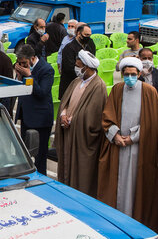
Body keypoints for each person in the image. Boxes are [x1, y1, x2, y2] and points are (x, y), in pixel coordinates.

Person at [98, 56, 158, 222]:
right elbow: (108, 116)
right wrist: (115, 135)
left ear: (139, 73)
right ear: (122, 74)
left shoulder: (149, 92)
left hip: (138, 148)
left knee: (135, 185)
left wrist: (133, 138)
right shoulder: (117, 89)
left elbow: (154, 123)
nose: (130, 78)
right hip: (118, 145)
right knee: (118, 184)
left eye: (133, 74)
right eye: (126, 74)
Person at [54, 50, 107, 195]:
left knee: (80, 175)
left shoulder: (98, 86)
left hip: (81, 138)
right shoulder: (76, 81)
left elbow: (93, 116)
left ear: (87, 67)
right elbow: (66, 102)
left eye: (79, 65)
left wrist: (72, 120)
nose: (76, 68)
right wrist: (63, 114)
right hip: (68, 132)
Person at [13, 44, 54, 174]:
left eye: (24, 63)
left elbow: (42, 92)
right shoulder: (23, 69)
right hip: (26, 117)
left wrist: (29, 75)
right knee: (25, 153)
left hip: (41, 120)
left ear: (32, 58)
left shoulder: (46, 69)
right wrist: (20, 77)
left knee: (40, 156)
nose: (22, 65)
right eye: (19, 63)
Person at [58, 23, 95, 100]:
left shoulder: (89, 45)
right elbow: (69, 69)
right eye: (86, 35)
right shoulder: (69, 48)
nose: (88, 37)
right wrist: (84, 74)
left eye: (89, 35)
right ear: (79, 33)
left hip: (85, 85)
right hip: (71, 86)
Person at [138, 47, 158, 116]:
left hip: (154, 109)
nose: (147, 61)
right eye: (144, 58)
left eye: (149, 58)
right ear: (139, 59)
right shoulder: (135, 74)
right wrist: (141, 75)